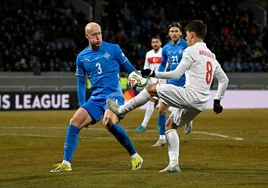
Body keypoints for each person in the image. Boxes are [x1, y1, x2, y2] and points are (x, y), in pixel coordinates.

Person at [106, 20, 229, 173]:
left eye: (187, 36)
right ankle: (174, 165)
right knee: (170, 126)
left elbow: (176, 74)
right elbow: (224, 79)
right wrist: (217, 100)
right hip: (201, 103)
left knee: (151, 88)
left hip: (189, 95)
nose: (186, 39)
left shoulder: (190, 51)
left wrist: (153, 73)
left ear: (191, 35)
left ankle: (121, 111)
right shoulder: (211, 55)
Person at [50, 22, 143, 172]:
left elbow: (131, 70)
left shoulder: (114, 49)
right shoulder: (81, 57)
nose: (98, 37)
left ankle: (135, 156)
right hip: (96, 98)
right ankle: (66, 163)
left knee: (108, 122)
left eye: (99, 33)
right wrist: (82, 105)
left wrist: (138, 80)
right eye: (94, 35)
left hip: (114, 96)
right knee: (74, 121)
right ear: (87, 36)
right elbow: (80, 83)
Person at [150, 22, 192, 147]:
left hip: (185, 82)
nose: (174, 33)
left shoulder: (187, 46)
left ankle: (188, 119)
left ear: (181, 33)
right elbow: (163, 64)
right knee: (162, 109)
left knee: (183, 108)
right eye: (172, 31)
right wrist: (159, 76)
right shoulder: (166, 48)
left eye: (176, 31)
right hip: (171, 82)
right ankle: (162, 138)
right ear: (168, 34)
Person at [134, 36, 164, 133]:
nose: (155, 44)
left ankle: (143, 125)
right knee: (156, 104)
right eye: (153, 42)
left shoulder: (164, 53)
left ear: (160, 43)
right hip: (152, 82)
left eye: (157, 42)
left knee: (155, 103)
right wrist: (144, 79)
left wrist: (160, 79)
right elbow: (146, 67)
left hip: (163, 81)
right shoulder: (148, 54)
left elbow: (167, 67)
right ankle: (143, 125)